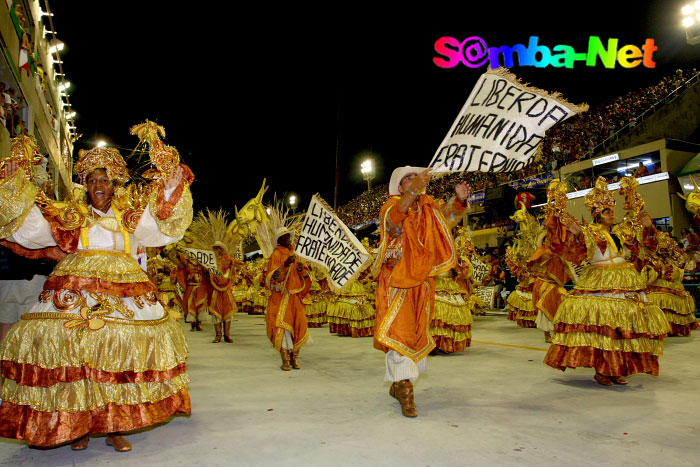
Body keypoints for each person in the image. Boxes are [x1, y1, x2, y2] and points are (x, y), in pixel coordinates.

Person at [0, 138, 193, 450]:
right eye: (91, 180)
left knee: (120, 357)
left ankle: (114, 427)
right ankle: (80, 427)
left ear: (114, 183)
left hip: (126, 293)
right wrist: (11, 183)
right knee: (76, 355)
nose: (98, 185)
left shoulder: (130, 216)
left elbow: (163, 227)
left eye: (104, 179)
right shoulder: (71, 217)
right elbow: (29, 229)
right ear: (85, 185)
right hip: (75, 292)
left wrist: (170, 189)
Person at [544, 177, 670, 386]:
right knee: (602, 327)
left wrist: (648, 227)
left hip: (625, 279)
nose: (612, 215)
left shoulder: (619, 232)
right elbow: (576, 249)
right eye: (606, 211)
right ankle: (603, 370)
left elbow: (644, 244)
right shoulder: (589, 232)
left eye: (612, 211)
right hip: (599, 280)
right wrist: (576, 234)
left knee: (622, 327)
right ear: (596, 214)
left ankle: (615, 369)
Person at [372, 166, 469, 417]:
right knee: (400, 333)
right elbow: (395, 219)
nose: (414, 181)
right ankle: (405, 390)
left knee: (416, 334)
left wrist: (459, 200)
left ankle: (398, 383)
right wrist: (414, 192)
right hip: (398, 280)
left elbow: (448, 219)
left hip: (423, 281)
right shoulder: (391, 206)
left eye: (416, 178)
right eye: (408, 179)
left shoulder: (429, 206)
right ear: (400, 187)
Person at [265, 229, 311, 370]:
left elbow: (306, 274)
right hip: (281, 297)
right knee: (283, 329)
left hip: (296, 297)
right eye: (285, 237)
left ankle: (295, 358)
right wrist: (285, 265)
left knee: (299, 326)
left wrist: (300, 269)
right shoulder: (276, 255)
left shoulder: (297, 254)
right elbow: (272, 277)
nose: (289, 239)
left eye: (289, 237)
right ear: (279, 240)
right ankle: (285, 359)